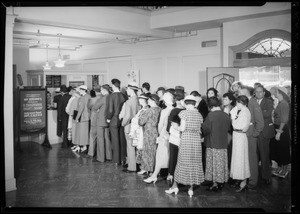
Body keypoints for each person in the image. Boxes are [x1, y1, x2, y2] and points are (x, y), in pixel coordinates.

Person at [165, 95, 204, 197]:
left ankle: (175, 186)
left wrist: (175, 126)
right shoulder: (199, 114)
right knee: (193, 163)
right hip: (196, 141)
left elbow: (182, 128)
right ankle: (190, 188)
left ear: (186, 103)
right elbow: (200, 130)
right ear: (194, 104)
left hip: (186, 139)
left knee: (182, 162)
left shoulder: (184, 113)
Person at [144, 92, 175, 183]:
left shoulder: (164, 111)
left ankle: (154, 175)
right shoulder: (175, 109)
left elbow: (160, 125)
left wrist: (160, 133)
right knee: (170, 155)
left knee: (160, 155)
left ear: (165, 101)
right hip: (172, 135)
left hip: (164, 134)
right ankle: (170, 174)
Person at [202, 97, 231, 191]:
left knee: (213, 164)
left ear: (210, 106)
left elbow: (206, 129)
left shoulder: (211, 115)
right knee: (221, 163)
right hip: (223, 143)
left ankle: (215, 183)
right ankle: (220, 182)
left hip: (212, 143)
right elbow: (228, 128)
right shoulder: (226, 115)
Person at [239, 86, 264, 189]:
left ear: (245, 93)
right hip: (245, 135)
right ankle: (248, 179)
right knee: (247, 159)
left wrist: (254, 134)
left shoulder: (253, 103)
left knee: (252, 159)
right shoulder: (247, 103)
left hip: (251, 136)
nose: (238, 95)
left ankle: (253, 181)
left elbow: (260, 122)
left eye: (240, 93)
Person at [229, 95, 251, 192]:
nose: (236, 104)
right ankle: (241, 181)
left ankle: (243, 182)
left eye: (237, 103)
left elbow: (235, 125)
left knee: (241, 159)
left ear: (242, 103)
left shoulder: (245, 112)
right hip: (238, 136)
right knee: (239, 159)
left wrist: (233, 117)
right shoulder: (242, 111)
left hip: (240, 136)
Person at [254, 85, 275, 185]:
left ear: (264, 93)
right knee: (255, 155)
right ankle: (256, 175)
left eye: (260, 92)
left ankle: (266, 176)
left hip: (264, 132)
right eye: (256, 92)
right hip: (254, 131)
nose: (258, 93)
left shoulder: (269, 102)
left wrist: (255, 113)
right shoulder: (252, 101)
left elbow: (266, 114)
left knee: (264, 155)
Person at [269, 87, 291, 179]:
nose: (273, 94)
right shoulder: (280, 103)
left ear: (279, 92)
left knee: (284, 150)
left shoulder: (284, 104)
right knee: (278, 150)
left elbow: (284, 120)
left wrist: (279, 132)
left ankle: (285, 170)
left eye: (274, 92)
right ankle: (280, 168)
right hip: (277, 127)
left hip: (281, 129)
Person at [138, 94, 161, 176]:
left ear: (153, 101)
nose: (148, 101)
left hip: (148, 132)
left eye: (149, 100)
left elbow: (141, 122)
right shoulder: (160, 109)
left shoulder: (149, 110)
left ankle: (147, 169)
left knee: (147, 151)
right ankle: (154, 170)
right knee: (155, 151)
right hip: (157, 131)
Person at [165, 89, 185, 185]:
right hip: (183, 136)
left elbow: (169, 126)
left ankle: (172, 175)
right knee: (181, 157)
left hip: (174, 136)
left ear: (175, 100)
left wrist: (168, 132)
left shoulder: (174, 111)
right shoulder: (185, 110)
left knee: (173, 156)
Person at [120, 82, 140, 173]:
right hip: (137, 126)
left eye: (127, 89)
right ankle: (135, 164)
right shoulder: (138, 100)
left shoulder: (129, 102)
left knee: (130, 147)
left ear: (131, 90)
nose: (126, 91)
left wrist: (123, 124)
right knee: (135, 146)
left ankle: (132, 167)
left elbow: (127, 116)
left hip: (129, 126)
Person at [106, 79, 126, 165]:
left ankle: (116, 160)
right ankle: (123, 158)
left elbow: (110, 110)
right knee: (122, 139)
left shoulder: (111, 96)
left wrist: (108, 118)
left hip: (114, 119)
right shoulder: (124, 95)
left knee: (115, 140)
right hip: (122, 119)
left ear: (113, 86)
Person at [129, 93, 150, 173]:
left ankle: (144, 168)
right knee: (140, 149)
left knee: (142, 149)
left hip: (142, 131)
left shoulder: (145, 110)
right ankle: (143, 167)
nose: (139, 101)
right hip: (140, 131)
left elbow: (138, 121)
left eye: (140, 99)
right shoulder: (142, 109)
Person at [92, 84, 112, 162]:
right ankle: (109, 156)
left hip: (100, 121)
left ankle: (101, 158)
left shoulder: (102, 99)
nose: (100, 91)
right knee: (107, 138)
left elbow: (94, 108)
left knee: (100, 139)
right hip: (108, 120)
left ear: (104, 90)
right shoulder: (111, 97)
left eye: (101, 90)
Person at [222, 92, 236, 183]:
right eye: (223, 99)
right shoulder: (223, 108)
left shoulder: (233, 109)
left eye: (226, 99)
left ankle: (231, 175)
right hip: (224, 133)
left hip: (230, 133)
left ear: (231, 100)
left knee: (230, 153)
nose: (224, 101)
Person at [87, 85, 102, 157]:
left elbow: (89, 107)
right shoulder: (104, 97)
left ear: (95, 91)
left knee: (92, 136)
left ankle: (91, 153)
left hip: (94, 119)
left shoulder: (92, 99)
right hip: (103, 119)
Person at [75, 85, 91, 153]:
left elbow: (80, 109)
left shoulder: (82, 98)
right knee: (86, 132)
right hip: (88, 116)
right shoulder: (89, 96)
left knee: (82, 133)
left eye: (80, 90)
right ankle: (85, 146)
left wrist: (77, 118)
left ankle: (84, 147)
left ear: (83, 90)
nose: (79, 91)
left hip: (83, 117)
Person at [65, 87, 81, 152]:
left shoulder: (74, 99)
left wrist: (70, 113)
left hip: (73, 117)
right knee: (75, 131)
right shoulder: (77, 98)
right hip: (75, 117)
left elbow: (68, 109)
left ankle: (76, 145)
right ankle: (76, 144)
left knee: (74, 131)